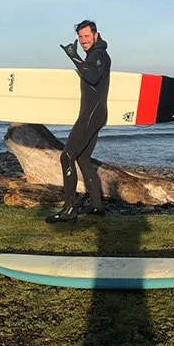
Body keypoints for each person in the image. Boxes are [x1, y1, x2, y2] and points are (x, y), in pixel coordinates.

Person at [46, 19, 110, 223]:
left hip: (91, 114)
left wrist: (73, 57)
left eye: (87, 36)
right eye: (80, 37)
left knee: (67, 156)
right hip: (95, 113)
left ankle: (69, 209)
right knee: (82, 159)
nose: (83, 40)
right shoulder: (93, 55)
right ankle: (97, 206)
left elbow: (91, 76)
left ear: (96, 35)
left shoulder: (99, 55)